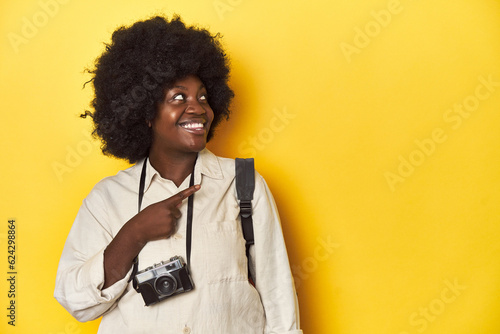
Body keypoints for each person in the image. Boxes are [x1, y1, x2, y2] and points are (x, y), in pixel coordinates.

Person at [54, 15, 302, 334]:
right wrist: (134, 234)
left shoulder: (243, 183)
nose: (198, 108)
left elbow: (278, 294)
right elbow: (76, 301)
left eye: (202, 96)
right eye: (179, 98)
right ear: (145, 113)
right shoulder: (106, 199)